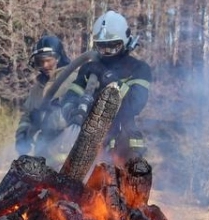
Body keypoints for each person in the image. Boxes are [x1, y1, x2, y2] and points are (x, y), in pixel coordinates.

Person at [62, 10, 152, 164]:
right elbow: (69, 98)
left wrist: (107, 76)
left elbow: (134, 104)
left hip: (125, 148)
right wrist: (73, 111)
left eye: (112, 46)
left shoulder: (139, 69)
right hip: (90, 145)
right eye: (102, 47)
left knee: (128, 185)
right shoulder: (88, 69)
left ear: (125, 41)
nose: (107, 52)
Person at [14, 35, 73, 167]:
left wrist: (50, 116)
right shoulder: (38, 86)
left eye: (49, 61)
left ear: (59, 58)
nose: (45, 65)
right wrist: (22, 135)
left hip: (68, 150)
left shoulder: (73, 79)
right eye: (40, 62)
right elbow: (28, 115)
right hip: (44, 151)